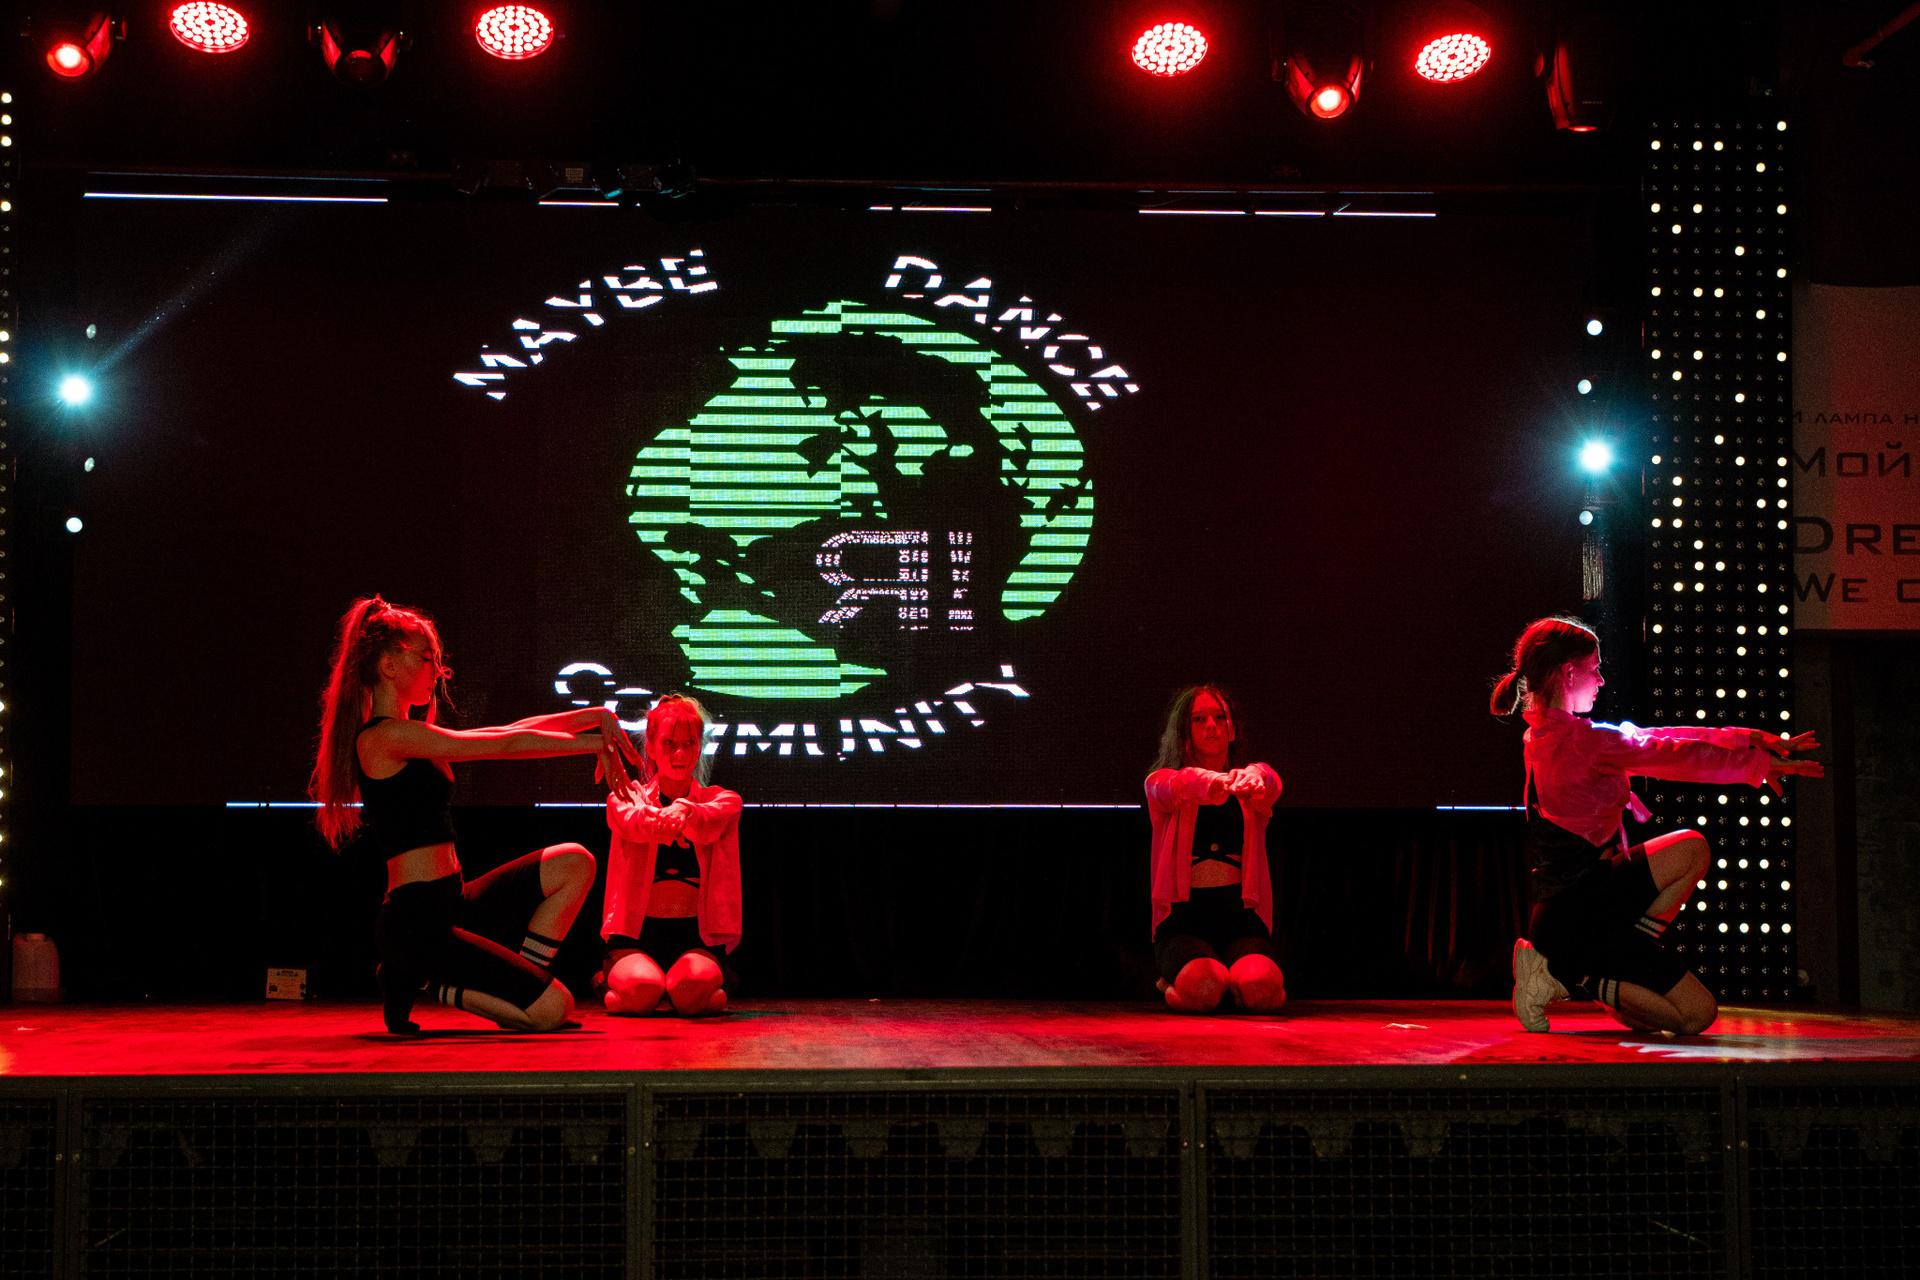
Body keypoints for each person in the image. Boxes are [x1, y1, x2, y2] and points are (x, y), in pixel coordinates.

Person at [310, 595, 643, 1034]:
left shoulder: (414, 734)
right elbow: (504, 746)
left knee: (575, 861)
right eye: (427, 658)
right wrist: (593, 744)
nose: (438, 670)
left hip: (454, 901)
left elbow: (508, 730)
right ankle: (424, 979)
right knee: (553, 1011)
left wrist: (595, 717)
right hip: (416, 923)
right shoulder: (382, 738)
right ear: (389, 666)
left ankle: (524, 984)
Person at [1493, 615, 1822, 1035]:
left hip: (1579, 909)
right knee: (1697, 1015)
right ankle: (1568, 973)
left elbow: (1654, 738)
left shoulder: (1548, 735)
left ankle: (1593, 966)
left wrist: (1747, 740)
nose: (1601, 681)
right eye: (1595, 669)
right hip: (1580, 917)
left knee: (1691, 850)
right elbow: (1672, 755)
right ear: (1569, 672)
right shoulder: (1580, 741)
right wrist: (1756, 764)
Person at [1144, 685, 1287, 1014]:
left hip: (1239, 920)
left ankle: (1236, 985)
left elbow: (1269, 780)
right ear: (1185, 734)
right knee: (1204, 989)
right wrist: (1215, 782)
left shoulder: (1247, 786)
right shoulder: (1164, 782)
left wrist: (1254, 776)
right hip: (1184, 922)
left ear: (1232, 730)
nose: (1211, 725)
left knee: (1262, 991)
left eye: (1219, 718)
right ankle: (1171, 985)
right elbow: (1177, 784)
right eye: (1199, 719)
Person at [599, 694, 742, 1017]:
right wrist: (668, 818)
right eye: (669, 743)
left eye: (689, 743)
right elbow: (632, 821)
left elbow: (710, 820)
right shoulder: (627, 796)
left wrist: (685, 810)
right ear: (650, 747)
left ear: (699, 747)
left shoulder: (721, 799)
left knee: (688, 993)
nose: (680, 753)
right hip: (635, 935)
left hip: (696, 937)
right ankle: (617, 984)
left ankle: (699, 992)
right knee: (642, 991)